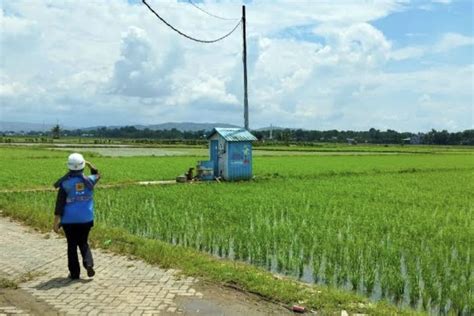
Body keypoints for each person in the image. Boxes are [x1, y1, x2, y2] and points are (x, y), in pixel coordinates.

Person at [53, 153, 100, 280]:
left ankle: (74, 274)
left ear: (69, 167)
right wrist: (90, 164)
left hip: (69, 220)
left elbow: (60, 204)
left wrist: (56, 222)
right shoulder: (90, 180)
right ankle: (88, 264)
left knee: (71, 246)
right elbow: (97, 174)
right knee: (83, 242)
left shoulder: (65, 184)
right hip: (86, 219)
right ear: (83, 166)